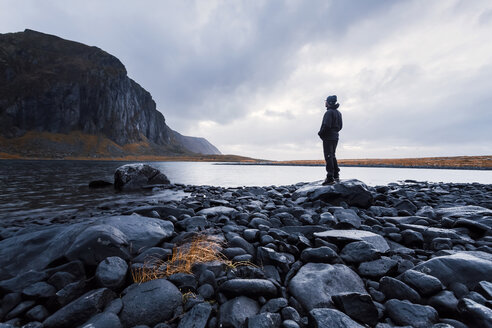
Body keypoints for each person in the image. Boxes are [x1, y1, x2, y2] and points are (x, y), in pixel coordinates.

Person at [318, 95, 343, 185]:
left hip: (328, 137)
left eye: (326, 101)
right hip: (335, 136)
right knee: (332, 155)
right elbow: (340, 126)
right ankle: (336, 175)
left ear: (328, 102)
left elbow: (326, 126)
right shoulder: (338, 113)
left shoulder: (329, 113)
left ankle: (330, 177)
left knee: (328, 156)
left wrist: (320, 133)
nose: (325, 102)